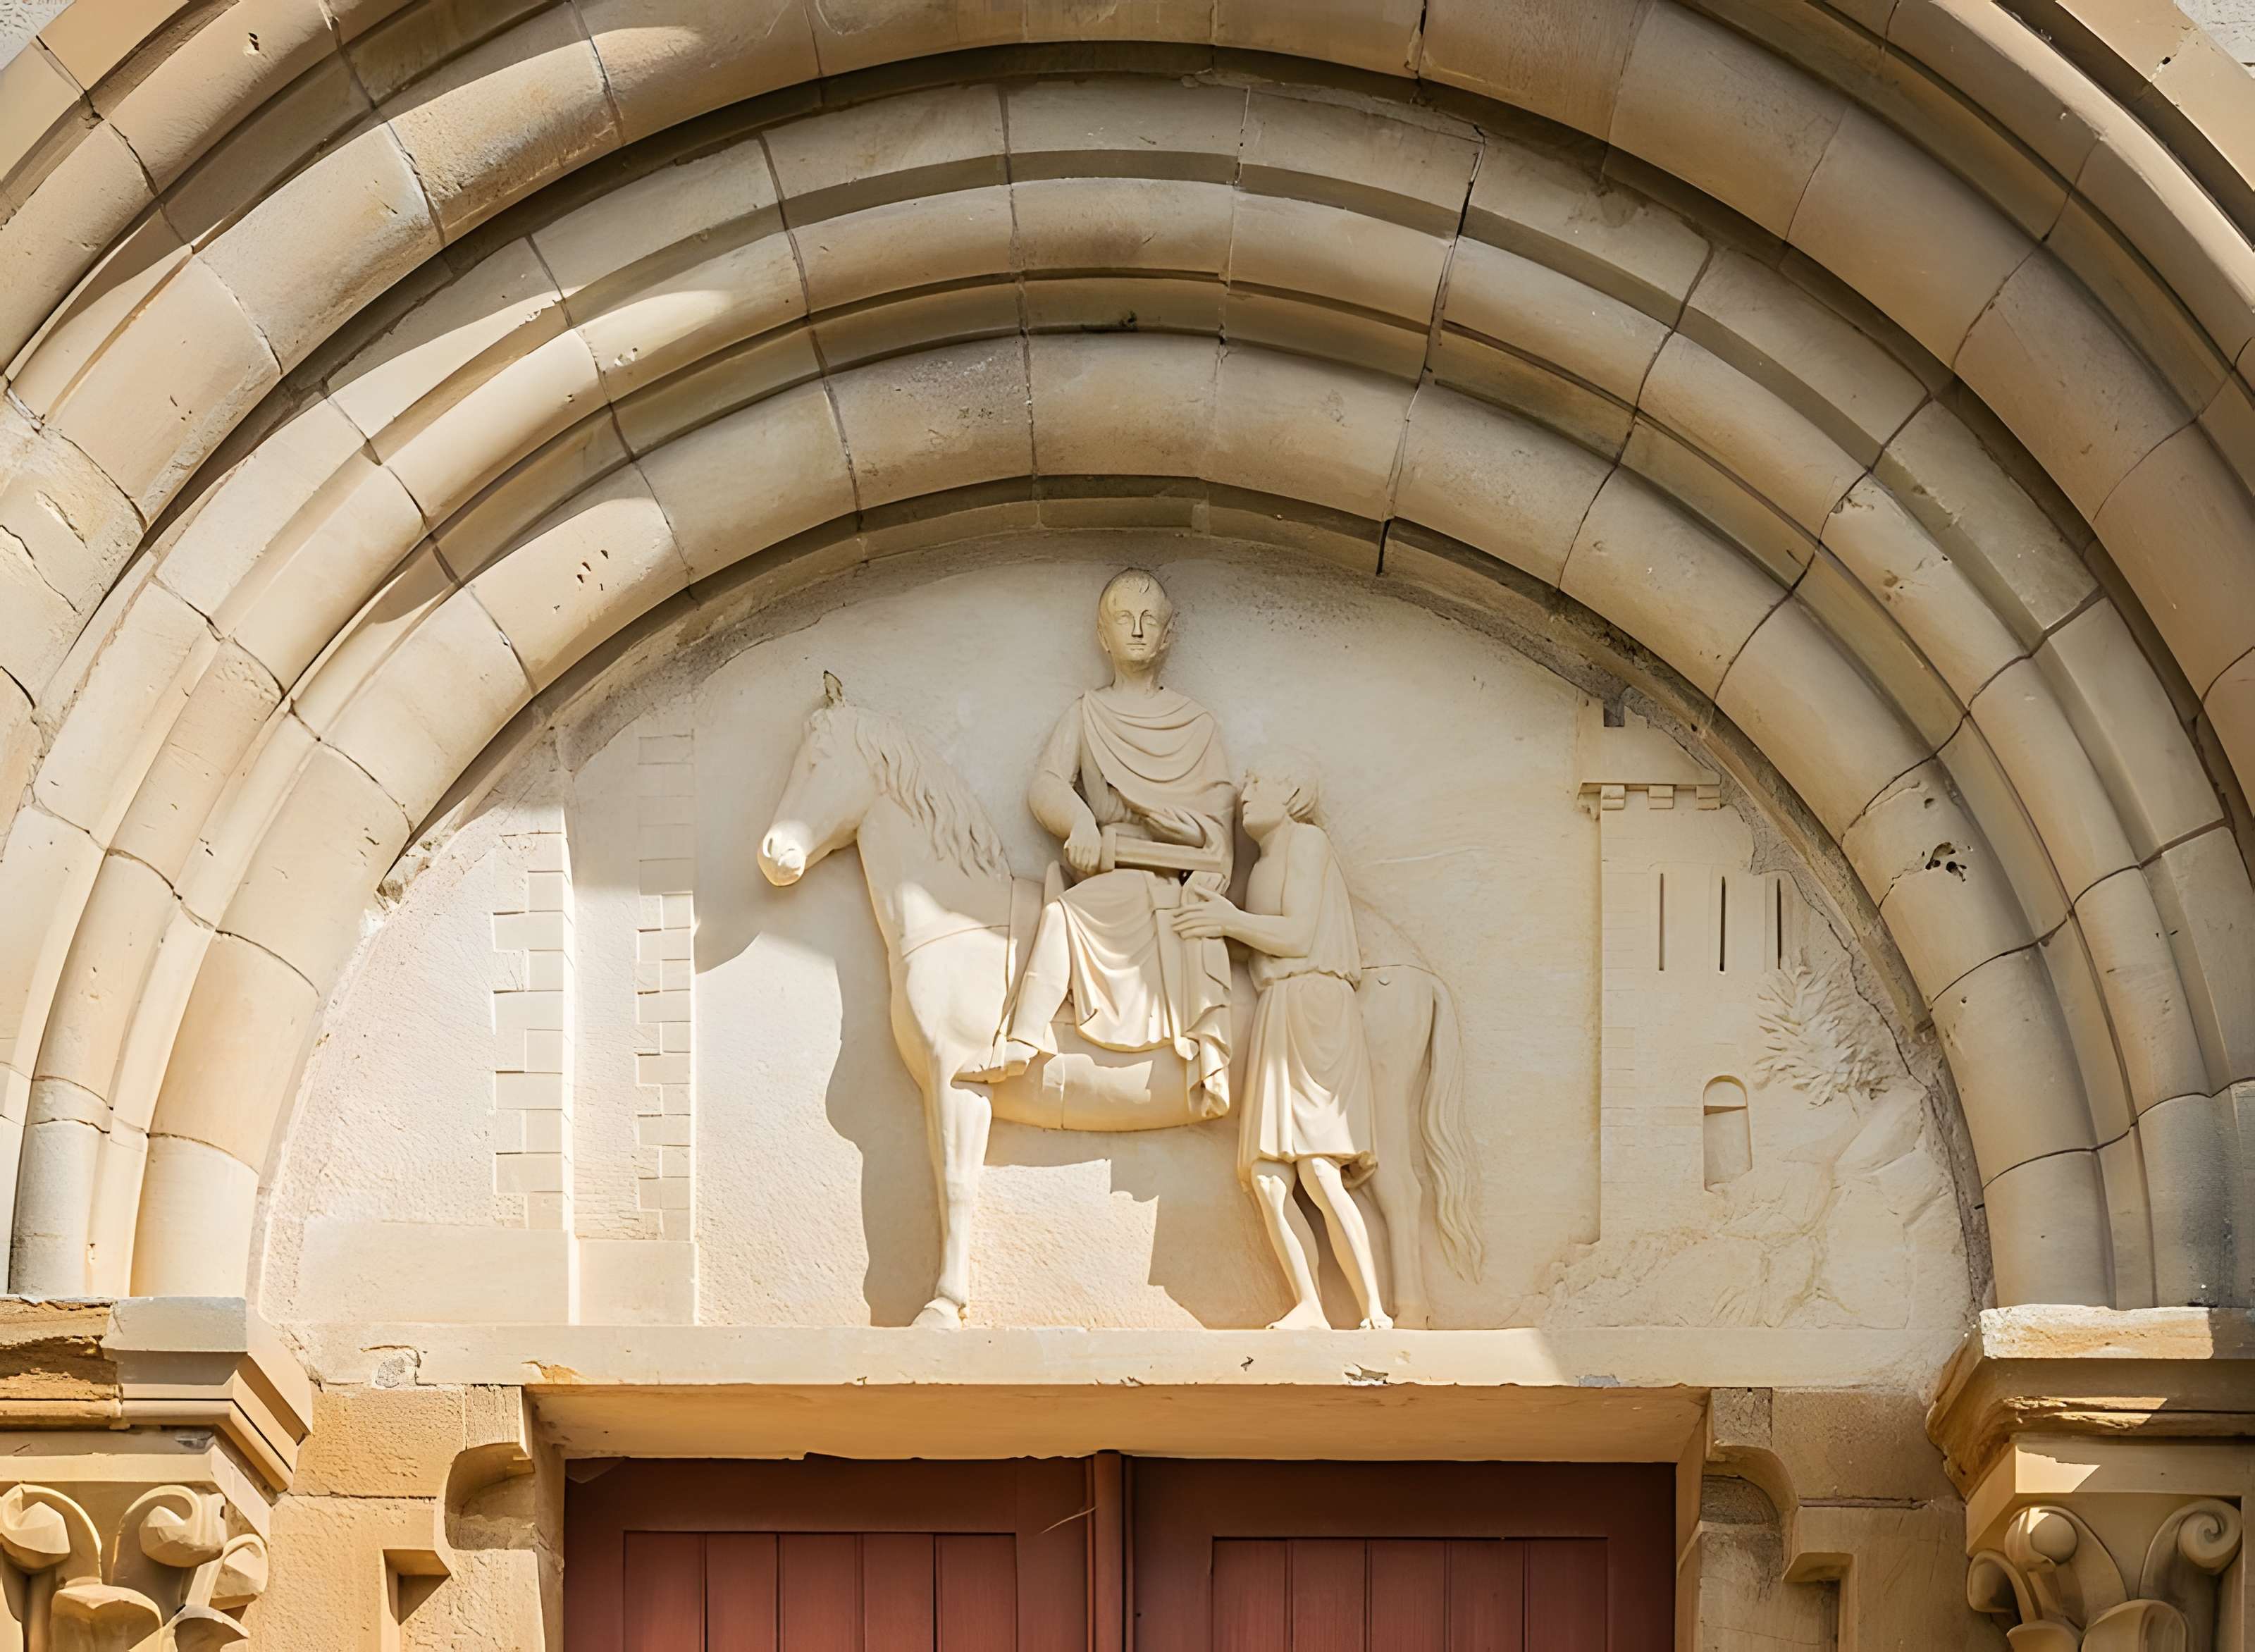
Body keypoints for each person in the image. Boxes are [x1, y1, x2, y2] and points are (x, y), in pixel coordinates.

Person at [968, 571, 1236, 1116]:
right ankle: (1024, 1039)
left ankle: (1024, 1037)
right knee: (1066, 913)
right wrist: (1081, 824)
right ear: (1102, 631)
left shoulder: (1197, 726)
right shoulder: (1088, 714)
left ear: (1168, 634)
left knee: (1064, 915)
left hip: (1166, 877)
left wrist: (1190, 830)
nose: (1137, 630)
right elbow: (1047, 784)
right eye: (1123, 618)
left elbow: (1220, 827)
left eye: (1149, 619)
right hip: (1112, 868)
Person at [1172, 756, 1390, 1330]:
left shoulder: (1307, 843)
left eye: (1261, 782)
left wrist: (1226, 921)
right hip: (1279, 1006)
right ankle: (1310, 1309)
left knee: (1319, 1169)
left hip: (1315, 1005)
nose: (1248, 791)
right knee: (1270, 1179)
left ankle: (1373, 1313)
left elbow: (1294, 935)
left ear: (1293, 792)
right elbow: (1260, 942)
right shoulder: (1268, 861)